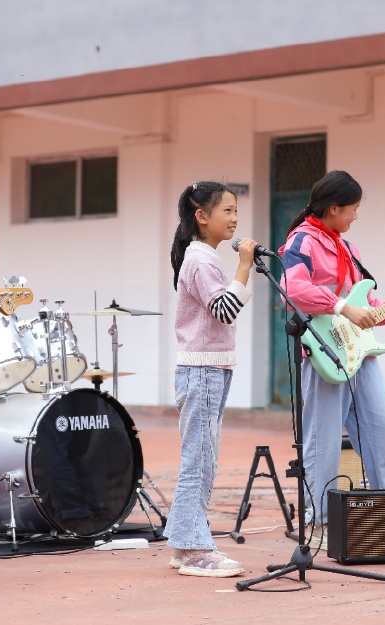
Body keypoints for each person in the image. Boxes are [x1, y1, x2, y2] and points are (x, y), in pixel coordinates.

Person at [278, 170, 385, 546]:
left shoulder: (348, 248)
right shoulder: (301, 240)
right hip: (324, 354)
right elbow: (292, 288)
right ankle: (319, 521)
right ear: (333, 209)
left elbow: (366, 307)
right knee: (324, 440)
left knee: (384, 430)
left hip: (360, 354)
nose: (355, 216)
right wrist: (342, 306)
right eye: (352, 209)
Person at [164, 181, 255, 578]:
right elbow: (223, 310)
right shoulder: (201, 260)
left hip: (213, 367)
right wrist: (245, 267)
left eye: (236, 211)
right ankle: (194, 548)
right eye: (227, 211)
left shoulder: (205, 257)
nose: (235, 219)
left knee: (205, 458)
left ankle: (186, 544)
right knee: (198, 460)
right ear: (202, 217)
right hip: (200, 370)